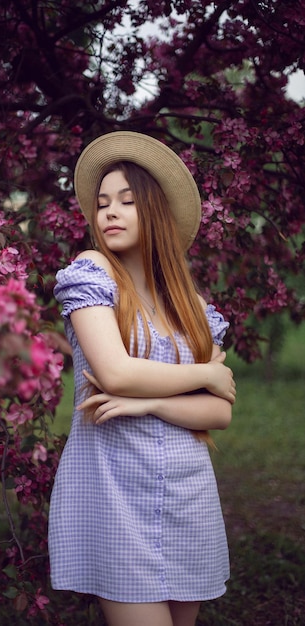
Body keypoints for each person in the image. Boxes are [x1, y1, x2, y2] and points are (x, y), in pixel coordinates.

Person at [48, 131, 236, 626]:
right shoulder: (92, 273)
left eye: (127, 202)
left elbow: (219, 411)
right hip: (115, 489)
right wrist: (205, 373)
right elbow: (114, 372)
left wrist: (147, 403)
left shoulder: (193, 307)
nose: (109, 211)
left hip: (187, 492)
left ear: (155, 214)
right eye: (103, 202)